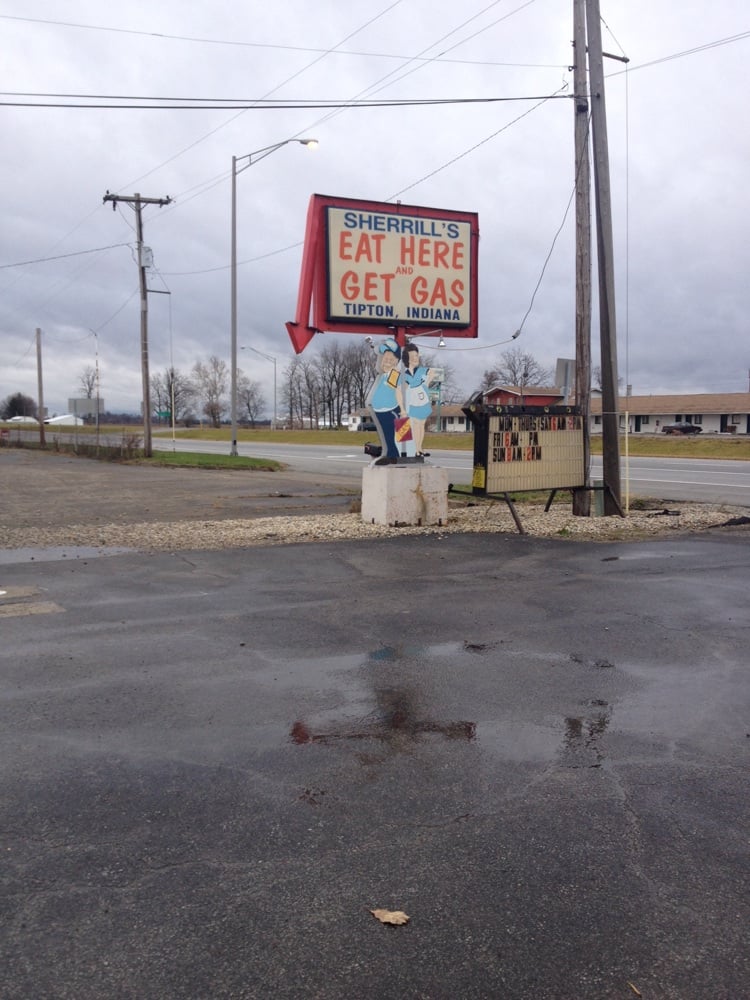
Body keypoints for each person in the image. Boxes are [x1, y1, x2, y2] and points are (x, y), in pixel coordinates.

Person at [366, 337, 405, 460]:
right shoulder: (383, 376)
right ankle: (390, 455)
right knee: (387, 437)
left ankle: (396, 457)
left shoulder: (394, 375)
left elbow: (397, 392)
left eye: (390, 359)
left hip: (391, 411)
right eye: (384, 359)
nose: (386, 362)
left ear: (396, 361)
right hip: (381, 411)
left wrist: (403, 410)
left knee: (395, 437)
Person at [401, 342, 435, 457]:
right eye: (413, 356)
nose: (416, 358)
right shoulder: (405, 374)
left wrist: (426, 383)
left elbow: (432, 372)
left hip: (423, 399)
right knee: (415, 424)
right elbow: (401, 390)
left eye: (417, 356)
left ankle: (420, 448)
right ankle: (416, 449)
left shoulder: (421, 371)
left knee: (421, 424)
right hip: (413, 401)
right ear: (407, 359)